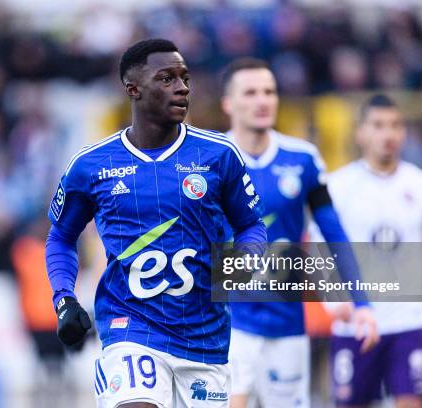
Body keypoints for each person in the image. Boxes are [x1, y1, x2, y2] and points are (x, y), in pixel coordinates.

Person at [45, 39, 267, 408]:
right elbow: (61, 238)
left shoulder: (218, 155)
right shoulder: (92, 165)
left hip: (204, 337)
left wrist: (246, 259)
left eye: (184, 78)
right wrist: (64, 299)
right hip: (130, 327)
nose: (181, 87)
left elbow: (251, 225)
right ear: (133, 90)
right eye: (166, 79)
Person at [219, 58, 379, 408]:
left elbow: (333, 233)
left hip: (286, 321)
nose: (263, 100)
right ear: (228, 103)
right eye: (251, 92)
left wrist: (360, 301)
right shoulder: (209, 158)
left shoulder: (303, 159)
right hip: (227, 321)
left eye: (270, 92)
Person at [322, 94, 422, 408]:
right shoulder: (339, 185)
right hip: (357, 323)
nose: (388, 134)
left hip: (410, 323)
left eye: (396, 126)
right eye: (379, 125)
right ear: (360, 132)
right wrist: (333, 299)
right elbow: (321, 250)